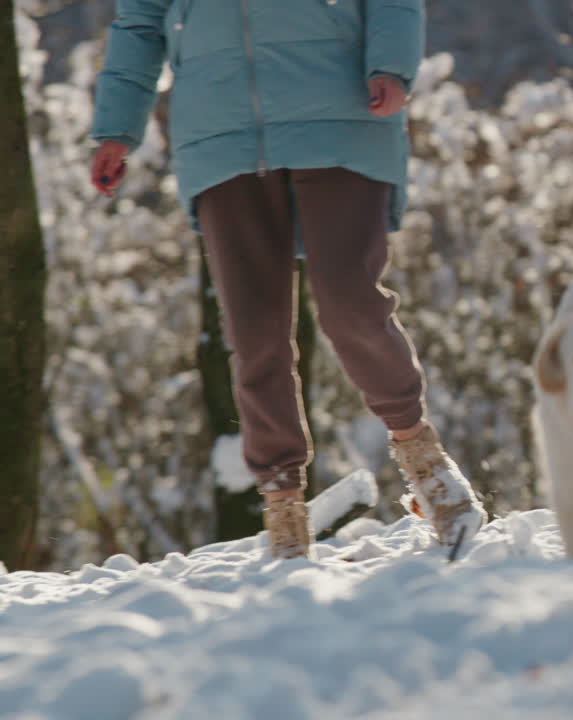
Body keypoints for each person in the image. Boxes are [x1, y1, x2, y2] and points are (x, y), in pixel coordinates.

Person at [89, 0, 486, 559]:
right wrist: (115, 130)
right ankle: (283, 512)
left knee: (350, 302)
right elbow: (139, 22)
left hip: (342, 110)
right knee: (254, 336)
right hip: (220, 132)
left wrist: (392, 66)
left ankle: (421, 456)